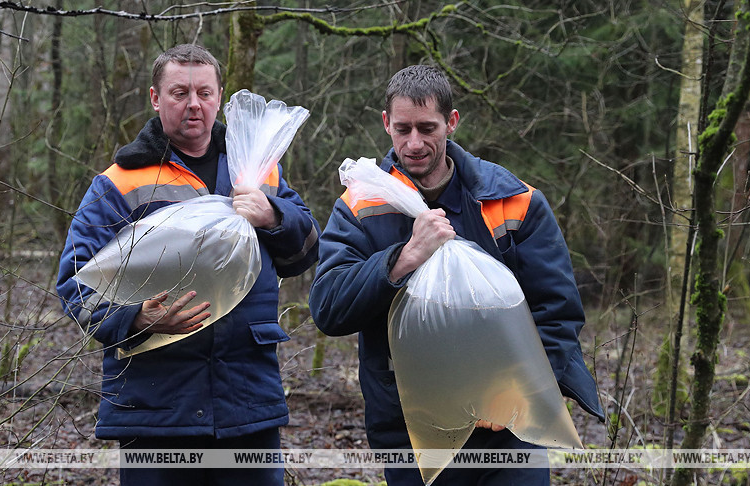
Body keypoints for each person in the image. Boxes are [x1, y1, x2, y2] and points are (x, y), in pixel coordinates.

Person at [308, 65, 604, 485]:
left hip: (511, 433)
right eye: (403, 128)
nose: (414, 143)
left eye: (427, 128)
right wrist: (403, 257)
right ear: (385, 124)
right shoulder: (360, 206)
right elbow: (329, 309)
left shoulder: (512, 200)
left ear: (452, 122)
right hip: (414, 430)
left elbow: (557, 312)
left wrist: (518, 395)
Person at [56, 44, 320, 486]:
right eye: (179, 93)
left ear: (220, 96)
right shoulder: (121, 182)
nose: (194, 105)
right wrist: (137, 317)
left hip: (246, 401)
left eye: (204, 92)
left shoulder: (257, 169)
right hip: (155, 406)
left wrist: (274, 216)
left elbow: (306, 253)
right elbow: (74, 285)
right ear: (156, 98)